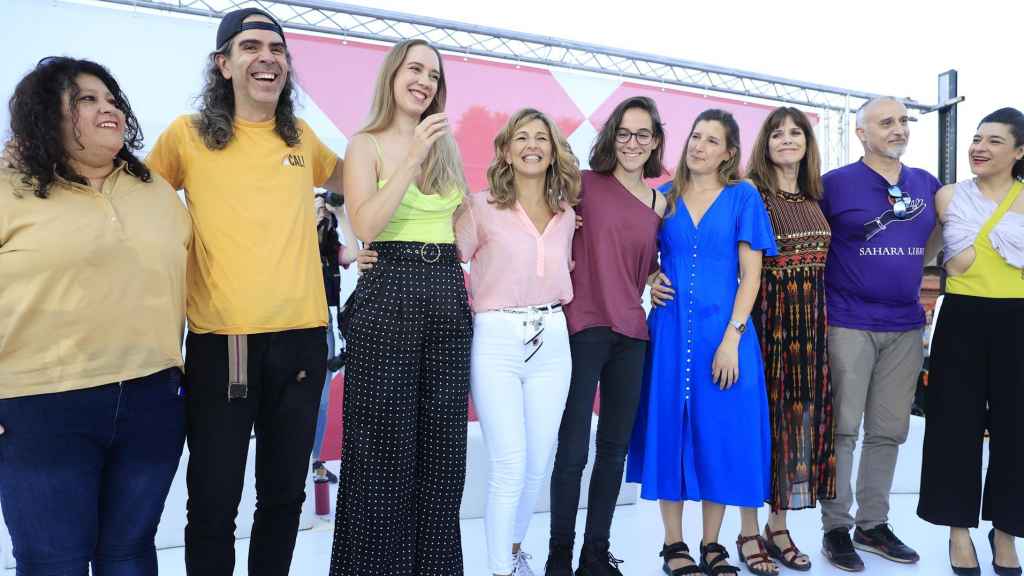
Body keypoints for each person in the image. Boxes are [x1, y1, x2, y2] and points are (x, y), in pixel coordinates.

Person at [146, 8, 344, 575]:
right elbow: (132, 198)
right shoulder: (186, 135)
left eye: (277, 49)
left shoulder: (300, 136)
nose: (268, 58)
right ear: (224, 63)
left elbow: (355, 184)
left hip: (304, 342)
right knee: (213, 500)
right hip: (223, 344)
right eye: (251, 46)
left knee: (284, 499)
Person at [0, 56, 190, 575]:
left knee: (129, 554)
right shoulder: (7, 187)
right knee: (53, 561)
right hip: (39, 407)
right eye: (86, 99)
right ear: (47, 115)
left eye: (111, 99)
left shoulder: (154, 189)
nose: (107, 107)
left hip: (152, 399)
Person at [329, 39, 471, 576]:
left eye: (434, 74)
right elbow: (366, 226)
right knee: (384, 452)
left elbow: (463, 225)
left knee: (443, 456)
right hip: (390, 288)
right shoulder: (364, 144)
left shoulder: (446, 147)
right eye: (415, 69)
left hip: (444, 290)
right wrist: (410, 157)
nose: (425, 81)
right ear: (393, 75)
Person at [636, 108, 777, 576]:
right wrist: (653, 276)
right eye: (695, 136)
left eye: (712, 140)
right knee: (671, 431)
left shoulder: (743, 198)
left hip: (725, 335)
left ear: (729, 153)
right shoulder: (661, 199)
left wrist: (732, 339)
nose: (699, 146)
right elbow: (637, 255)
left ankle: (712, 545)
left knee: (719, 434)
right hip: (670, 334)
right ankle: (674, 546)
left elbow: (751, 275)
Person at [455, 108, 580, 576]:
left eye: (541, 138)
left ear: (552, 150)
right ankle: (499, 570)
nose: (532, 145)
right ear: (506, 150)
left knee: (538, 463)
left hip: (552, 338)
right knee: (508, 462)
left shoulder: (567, 214)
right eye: (521, 137)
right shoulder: (479, 206)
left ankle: (511, 550)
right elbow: (444, 258)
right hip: (497, 340)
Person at [546, 96, 667, 576]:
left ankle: (595, 554)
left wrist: (658, 276)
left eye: (643, 134)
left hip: (632, 335)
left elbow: (655, 264)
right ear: (611, 136)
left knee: (613, 449)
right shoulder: (582, 186)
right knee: (572, 450)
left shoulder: (662, 202)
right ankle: (559, 555)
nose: (633, 143)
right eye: (624, 133)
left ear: (655, 142)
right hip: (582, 326)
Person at [818, 96, 940, 572]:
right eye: (886, 122)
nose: (898, 129)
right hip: (848, 320)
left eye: (904, 121)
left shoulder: (926, 184)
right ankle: (835, 528)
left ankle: (873, 524)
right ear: (861, 133)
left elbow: (931, 243)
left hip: (905, 325)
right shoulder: (834, 185)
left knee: (889, 431)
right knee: (844, 430)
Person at [918, 107, 1024, 576]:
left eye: (995, 141)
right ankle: (958, 534)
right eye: (977, 138)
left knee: (1017, 430)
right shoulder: (948, 195)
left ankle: (1006, 534)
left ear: (1019, 152)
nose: (979, 147)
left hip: (1019, 319)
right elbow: (931, 254)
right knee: (951, 426)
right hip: (960, 316)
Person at [744, 106, 835, 572]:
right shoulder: (749, 193)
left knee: (796, 427)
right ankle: (745, 532)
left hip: (811, 328)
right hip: (767, 325)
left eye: (795, 133)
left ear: (806, 143)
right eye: (776, 134)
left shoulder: (816, 197)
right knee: (759, 428)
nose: (786, 140)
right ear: (765, 144)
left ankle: (776, 526)